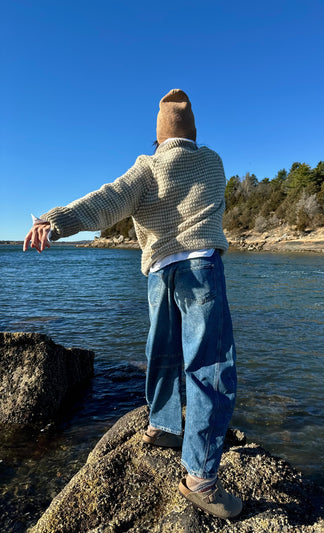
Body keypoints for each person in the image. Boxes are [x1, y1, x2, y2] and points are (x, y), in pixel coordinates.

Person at [23, 89, 242, 519]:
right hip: (201, 269)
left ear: (158, 138)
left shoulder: (148, 167)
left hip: (160, 271)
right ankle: (200, 477)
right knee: (210, 369)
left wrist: (56, 220)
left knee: (161, 355)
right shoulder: (213, 163)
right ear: (193, 133)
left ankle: (162, 426)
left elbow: (107, 201)